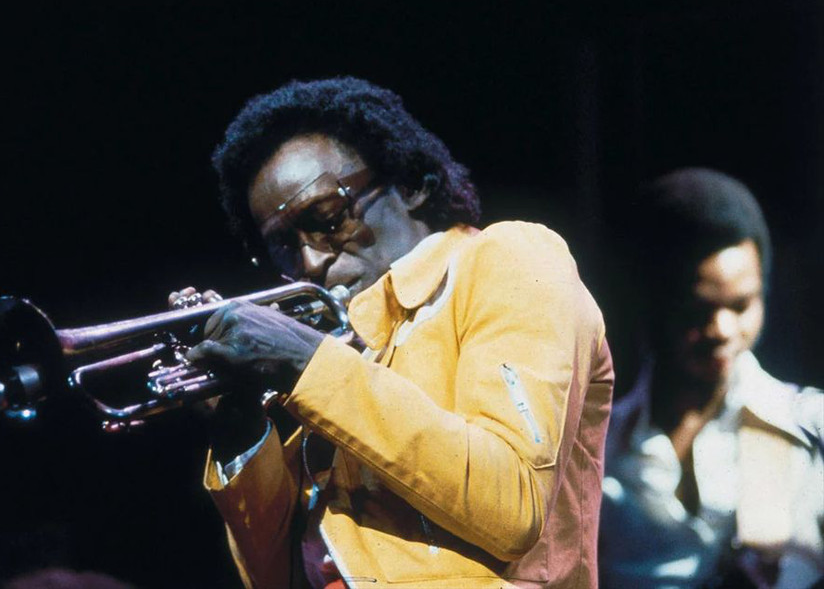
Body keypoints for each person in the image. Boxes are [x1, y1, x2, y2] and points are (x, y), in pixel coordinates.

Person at [176, 77, 614, 588]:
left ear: (411, 184)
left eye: (328, 218)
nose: (310, 262)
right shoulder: (342, 354)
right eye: (284, 248)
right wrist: (240, 428)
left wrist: (306, 362)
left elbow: (512, 505)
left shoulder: (508, 258)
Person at [598, 168, 824, 589]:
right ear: (653, 302)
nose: (721, 329)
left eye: (741, 306)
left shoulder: (810, 429)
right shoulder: (599, 447)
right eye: (697, 309)